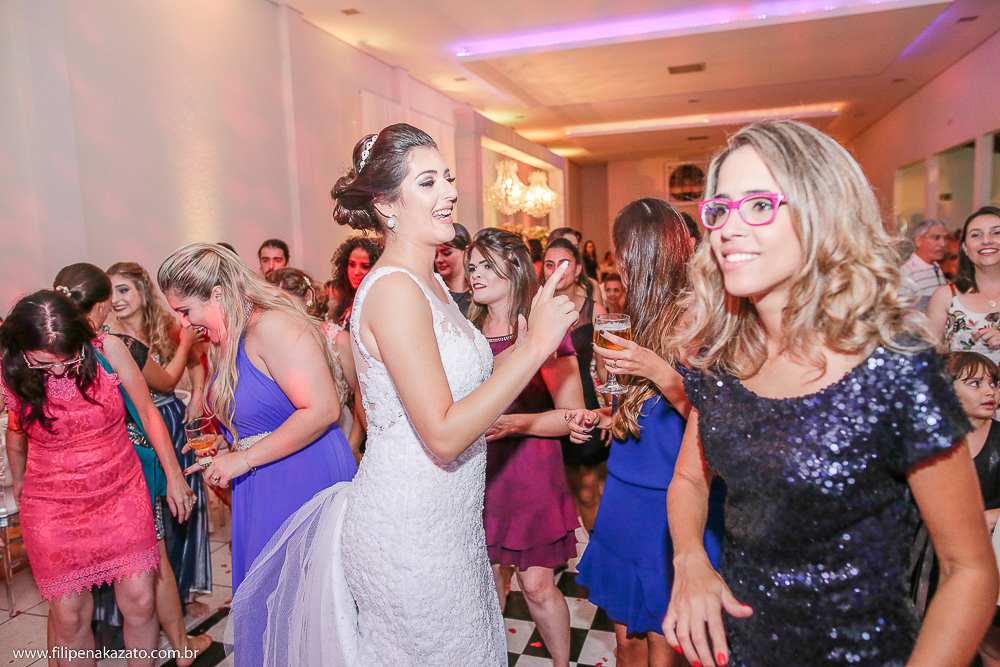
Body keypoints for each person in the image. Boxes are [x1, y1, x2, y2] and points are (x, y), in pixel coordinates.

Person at [227, 123, 577, 666]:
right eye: (428, 182)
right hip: (410, 530)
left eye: (448, 178)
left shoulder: (430, 282)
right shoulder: (394, 290)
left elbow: (464, 384)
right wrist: (534, 351)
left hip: (450, 518)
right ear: (387, 205)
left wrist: (529, 343)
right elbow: (444, 433)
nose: (450, 192)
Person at [663, 120, 997, 667]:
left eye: (759, 205)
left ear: (823, 214)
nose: (727, 229)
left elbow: (970, 570)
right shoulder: (722, 362)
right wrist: (690, 560)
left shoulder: (895, 372)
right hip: (744, 648)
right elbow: (689, 480)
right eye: (719, 209)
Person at [565, 198, 725, 667]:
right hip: (622, 492)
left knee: (664, 646)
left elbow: (715, 419)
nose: (618, 265)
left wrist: (656, 368)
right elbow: (640, 410)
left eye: (624, 253)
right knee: (626, 643)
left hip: (671, 498)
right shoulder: (634, 317)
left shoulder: (700, 318)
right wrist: (604, 417)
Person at [1, 291, 193, 667]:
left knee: (141, 601)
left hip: (121, 491)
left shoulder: (109, 349)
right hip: (52, 504)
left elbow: (147, 411)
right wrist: (20, 481)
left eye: (68, 359)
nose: (59, 372)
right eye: (44, 364)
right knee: (70, 617)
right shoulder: (12, 368)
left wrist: (174, 475)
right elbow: (15, 430)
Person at [157, 242, 357, 594]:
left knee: (303, 596)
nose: (183, 323)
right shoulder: (224, 338)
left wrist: (244, 458)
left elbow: (323, 408)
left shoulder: (273, 326)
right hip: (259, 475)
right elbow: (258, 414)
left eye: (185, 311)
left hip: (303, 472)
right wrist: (228, 446)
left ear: (217, 294)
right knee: (269, 594)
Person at [53, 264, 210, 664]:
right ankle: (179, 646)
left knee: (68, 596)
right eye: (114, 294)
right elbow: (151, 405)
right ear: (102, 304)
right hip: (124, 470)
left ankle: (175, 644)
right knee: (150, 566)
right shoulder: (111, 346)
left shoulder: (42, 351)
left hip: (72, 484)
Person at [468, 228, 582, 667]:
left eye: (486, 265)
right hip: (475, 469)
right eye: (472, 266)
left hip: (530, 469)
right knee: (485, 582)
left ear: (514, 268)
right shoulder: (466, 331)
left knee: (535, 586)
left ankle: (561, 664)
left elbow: (572, 415)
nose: (475, 274)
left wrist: (517, 424)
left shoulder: (543, 331)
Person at [105, 262, 211, 615]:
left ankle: (184, 592)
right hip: (139, 427)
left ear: (142, 290)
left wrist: (197, 395)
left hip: (175, 421)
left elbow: (195, 361)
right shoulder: (112, 337)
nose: (116, 299)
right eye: (111, 292)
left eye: (123, 289)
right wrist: (185, 343)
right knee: (154, 514)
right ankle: (156, 599)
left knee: (185, 506)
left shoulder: (166, 323)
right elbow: (165, 380)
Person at [908, 351, 1000, 665]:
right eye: (975, 383)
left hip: (986, 560)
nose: (990, 391)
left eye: (993, 383)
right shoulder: (925, 439)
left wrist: (996, 515)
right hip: (920, 558)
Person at [540, 238, 609, 531]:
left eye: (564, 263)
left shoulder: (595, 311)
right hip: (545, 409)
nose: (557, 270)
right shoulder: (537, 310)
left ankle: (600, 550)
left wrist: (613, 413)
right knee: (558, 494)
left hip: (585, 406)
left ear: (579, 268)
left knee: (589, 490)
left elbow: (607, 369)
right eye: (549, 264)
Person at [266, 266, 360, 455]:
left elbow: (362, 394)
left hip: (335, 436)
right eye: (273, 305)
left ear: (308, 297)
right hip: (286, 441)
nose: (281, 312)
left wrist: (353, 445)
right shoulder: (267, 344)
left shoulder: (338, 340)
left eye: (287, 304)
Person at [927, 207, 1000, 365]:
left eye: (996, 232)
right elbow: (929, 361)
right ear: (965, 248)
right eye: (976, 235)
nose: (986, 240)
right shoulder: (945, 297)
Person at [329, 235, 382, 329]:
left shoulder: (377, 304)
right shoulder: (347, 300)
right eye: (352, 264)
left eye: (365, 266)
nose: (356, 272)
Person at [901, 219, 948, 312]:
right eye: (936, 238)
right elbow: (900, 310)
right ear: (918, 241)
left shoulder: (936, 267)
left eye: (945, 238)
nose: (943, 244)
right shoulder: (907, 271)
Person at [434, 222, 473, 316]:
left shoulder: (478, 294)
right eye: (435, 255)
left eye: (446, 253)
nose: (439, 260)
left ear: (466, 252)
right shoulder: (433, 293)